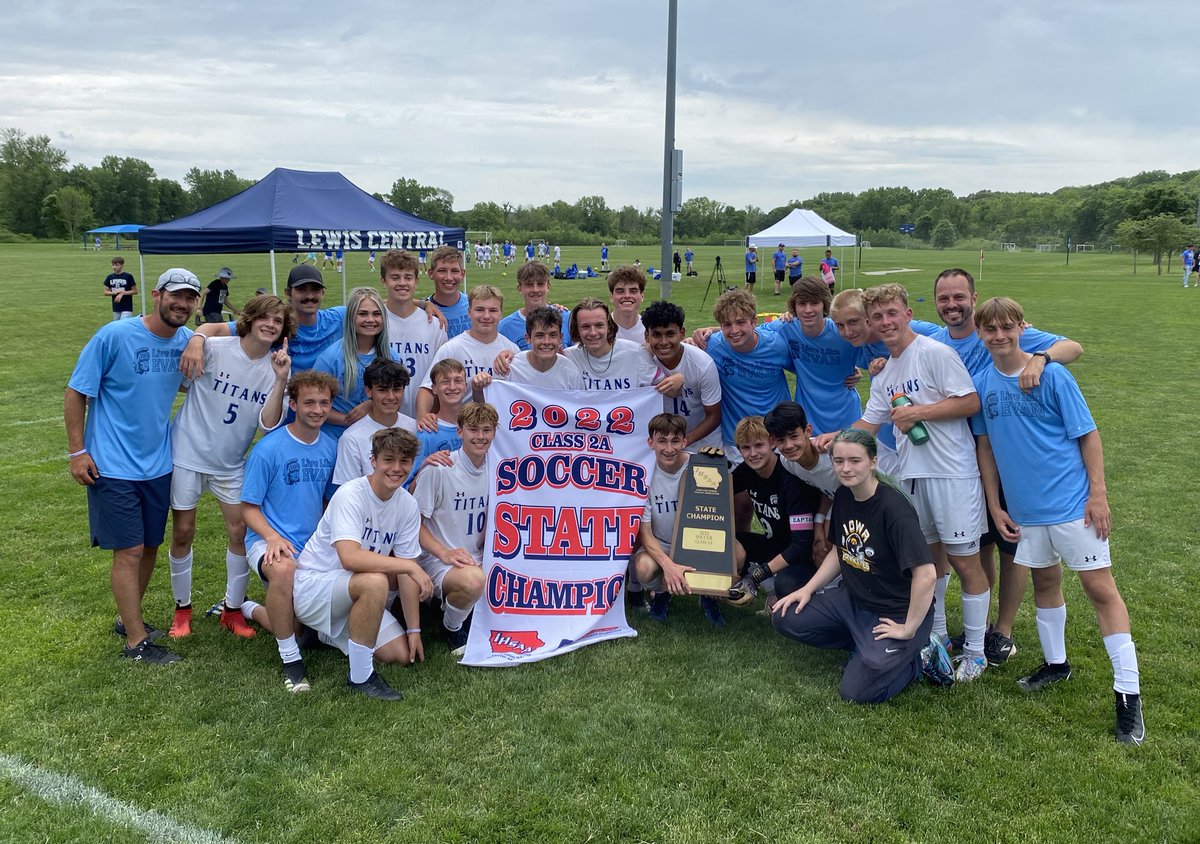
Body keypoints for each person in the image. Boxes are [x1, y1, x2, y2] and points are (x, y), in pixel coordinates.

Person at [971, 296, 1144, 744]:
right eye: (990, 330)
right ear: (980, 333)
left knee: (1099, 588)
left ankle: (1128, 696)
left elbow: (1088, 435)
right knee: (1046, 584)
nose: (999, 336)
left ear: (1022, 327)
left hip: (1071, 506)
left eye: (1007, 328)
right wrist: (995, 505)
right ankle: (1056, 664)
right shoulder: (983, 383)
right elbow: (986, 449)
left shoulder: (1054, 375)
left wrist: (1099, 496)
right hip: (1026, 513)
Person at [816, 283, 991, 683]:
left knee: (965, 561)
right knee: (930, 562)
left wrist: (919, 414)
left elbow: (969, 401)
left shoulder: (935, 352)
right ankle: (940, 636)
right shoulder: (885, 372)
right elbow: (869, 423)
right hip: (911, 475)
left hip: (952, 472)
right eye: (877, 317)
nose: (885, 322)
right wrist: (832, 436)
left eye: (892, 313)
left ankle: (977, 652)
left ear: (908, 314)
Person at [930, 268, 1084, 664]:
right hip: (962, 460)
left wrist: (1041, 359)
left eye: (959, 297)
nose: (952, 305)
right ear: (935, 303)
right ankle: (981, 624)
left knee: (1011, 546)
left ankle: (1004, 629)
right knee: (980, 543)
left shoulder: (1001, 332)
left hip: (1008, 457)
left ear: (974, 298)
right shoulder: (932, 339)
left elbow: (1074, 347)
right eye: (944, 298)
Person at [65, 268, 201, 664]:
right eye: (176, 295)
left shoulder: (183, 340)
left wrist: (197, 337)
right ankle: (137, 644)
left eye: (190, 297)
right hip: (112, 465)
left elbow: (228, 330)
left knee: (150, 548)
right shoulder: (114, 336)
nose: (183, 303)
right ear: (156, 295)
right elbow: (76, 393)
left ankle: (130, 620)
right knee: (129, 550)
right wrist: (78, 452)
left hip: (158, 464)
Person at [772, 428, 952, 703]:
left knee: (856, 692)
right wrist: (807, 589)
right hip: (852, 600)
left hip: (895, 611)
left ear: (873, 461)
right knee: (785, 616)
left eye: (855, 461)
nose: (846, 469)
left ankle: (919, 655)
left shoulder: (894, 509)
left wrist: (909, 628)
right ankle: (865, 643)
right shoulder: (845, 495)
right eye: (839, 461)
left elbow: (926, 574)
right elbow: (839, 551)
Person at [166, 295, 294, 639]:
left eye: (277, 322)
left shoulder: (277, 365)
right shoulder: (217, 347)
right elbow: (187, 370)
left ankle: (232, 609)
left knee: (238, 532)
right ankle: (182, 609)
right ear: (251, 319)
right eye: (264, 318)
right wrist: (197, 338)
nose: (270, 325)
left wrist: (281, 379)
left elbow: (268, 424)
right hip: (187, 453)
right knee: (183, 531)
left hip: (231, 463)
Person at [292, 427, 432, 700]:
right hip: (315, 586)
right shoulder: (350, 494)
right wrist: (409, 566)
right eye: (388, 459)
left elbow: (406, 573)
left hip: (353, 594)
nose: (396, 468)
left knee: (400, 655)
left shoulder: (407, 504)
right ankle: (360, 678)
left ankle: (321, 635)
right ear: (374, 461)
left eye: (404, 461)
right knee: (375, 580)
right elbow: (350, 558)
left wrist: (414, 630)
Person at [240, 370, 339, 692]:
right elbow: (248, 509)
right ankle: (291, 661)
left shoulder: (330, 447)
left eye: (324, 403)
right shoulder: (268, 450)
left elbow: (327, 503)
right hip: (268, 541)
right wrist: (272, 537)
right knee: (283, 570)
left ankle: (250, 608)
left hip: (312, 546)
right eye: (309, 402)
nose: (317, 410)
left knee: (300, 627)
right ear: (293, 404)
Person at [412, 402, 496, 657]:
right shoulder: (440, 469)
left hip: (478, 555)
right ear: (459, 432)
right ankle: (452, 626)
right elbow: (412, 524)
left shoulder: (498, 467)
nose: (480, 437)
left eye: (486, 430)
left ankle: (476, 616)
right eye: (473, 430)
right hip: (439, 559)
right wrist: (444, 553)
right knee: (473, 581)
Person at [631, 414, 726, 626]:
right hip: (663, 544)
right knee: (643, 568)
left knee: (736, 554)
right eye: (662, 441)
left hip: (699, 542)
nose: (669, 448)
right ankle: (662, 592)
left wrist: (718, 467)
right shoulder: (644, 476)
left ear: (685, 441)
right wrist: (669, 566)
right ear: (650, 442)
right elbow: (645, 533)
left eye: (675, 441)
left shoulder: (701, 466)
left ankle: (708, 595)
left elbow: (720, 514)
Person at [730, 415, 825, 608]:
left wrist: (757, 575)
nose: (753, 453)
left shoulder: (791, 478)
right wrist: (710, 463)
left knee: (786, 585)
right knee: (727, 545)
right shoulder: (747, 471)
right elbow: (712, 492)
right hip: (773, 545)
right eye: (746, 448)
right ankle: (766, 588)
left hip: (802, 553)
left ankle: (803, 591)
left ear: (772, 442)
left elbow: (801, 545)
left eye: (759, 445)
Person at [764, 277, 863, 437]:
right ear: (794, 306)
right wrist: (709, 331)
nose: (808, 310)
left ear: (824, 304)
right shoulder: (786, 327)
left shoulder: (842, 332)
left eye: (814, 303)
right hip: (808, 422)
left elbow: (876, 347)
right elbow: (747, 331)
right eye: (802, 304)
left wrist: (855, 369)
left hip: (846, 418)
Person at [702, 289, 793, 462]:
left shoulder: (776, 345)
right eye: (727, 324)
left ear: (754, 322)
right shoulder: (712, 347)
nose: (734, 330)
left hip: (777, 437)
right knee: (740, 489)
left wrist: (847, 373)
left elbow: (805, 370)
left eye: (740, 322)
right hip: (737, 442)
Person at [416, 285, 517, 419]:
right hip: (463, 430)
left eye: (493, 310)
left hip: (502, 429)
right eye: (480, 310)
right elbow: (428, 388)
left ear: (501, 313)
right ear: (469, 312)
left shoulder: (512, 351)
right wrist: (423, 419)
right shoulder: (452, 348)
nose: (486, 316)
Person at [641, 300, 722, 452]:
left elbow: (714, 416)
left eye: (670, 334)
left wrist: (684, 441)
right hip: (662, 444)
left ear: (682, 333)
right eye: (656, 335)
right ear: (647, 336)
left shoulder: (702, 364)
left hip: (702, 442)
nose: (664, 342)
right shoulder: (642, 363)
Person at [314, 287, 391, 441]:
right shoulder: (330, 359)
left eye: (376, 314)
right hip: (336, 439)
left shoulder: (391, 357)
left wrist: (371, 404)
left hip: (378, 439)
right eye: (362, 314)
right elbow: (312, 404)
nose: (370, 320)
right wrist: (348, 420)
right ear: (350, 317)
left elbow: (396, 396)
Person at [379, 248, 448, 419]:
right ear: (383, 280)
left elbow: (440, 376)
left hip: (423, 419)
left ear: (416, 281)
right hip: (382, 418)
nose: (402, 283)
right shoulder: (374, 322)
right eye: (395, 277)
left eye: (408, 277)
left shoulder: (434, 324)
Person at [332, 358, 415, 492]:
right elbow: (349, 492)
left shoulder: (416, 428)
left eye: (397, 389)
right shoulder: (351, 438)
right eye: (383, 390)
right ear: (368, 391)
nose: (391, 396)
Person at [479, 305, 579, 391]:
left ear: (560, 338)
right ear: (528, 338)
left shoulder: (571, 372)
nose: (546, 342)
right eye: (540, 335)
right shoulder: (510, 369)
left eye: (553, 335)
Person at [497, 261, 571, 351]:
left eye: (540, 284)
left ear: (548, 286)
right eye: (529, 284)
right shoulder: (505, 327)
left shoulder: (567, 319)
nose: (535, 290)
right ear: (519, 288)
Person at [427, 245, 472, 339]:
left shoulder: (474, 306)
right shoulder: (423, 311)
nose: (449, 277)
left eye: (454, 271)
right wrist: (422, 304)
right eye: (442, 271)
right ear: (431, 273)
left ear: (462, 274)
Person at [607, 266, 646, 342]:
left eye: (633, 291)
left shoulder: (651, 330)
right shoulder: (600, 330)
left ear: (642, 296)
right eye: (620, 291)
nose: (627, 296)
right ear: (611, 297)